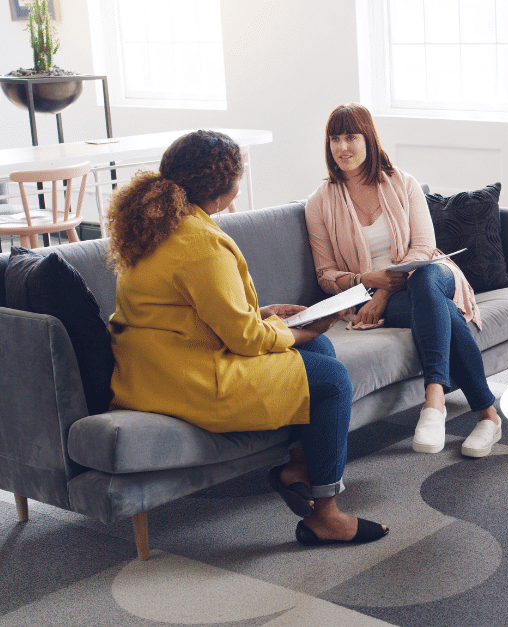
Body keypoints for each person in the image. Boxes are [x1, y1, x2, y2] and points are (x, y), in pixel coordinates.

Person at [106, 130, 387, 547]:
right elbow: (244, 340)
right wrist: (293, 329)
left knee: (319, 348)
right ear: (223, 191)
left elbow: (181, 313)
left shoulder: (157, 226)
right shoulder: (199, 243)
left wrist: (267, 316)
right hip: (191, 378)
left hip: (157, 366)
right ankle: (324, 515)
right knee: (332, 381)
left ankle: (299, 467)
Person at [304, 103, 502, 458]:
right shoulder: (320, 202)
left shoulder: (402, 183)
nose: (342, 147)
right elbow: (326, 275)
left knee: (425, 278)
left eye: (351, 137)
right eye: (335, 139)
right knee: (443, 312)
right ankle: (488, 415)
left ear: (369, 139)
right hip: (378, 294)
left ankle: (434, 401)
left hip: (429, 274)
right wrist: (367, 280)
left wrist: (383, 288)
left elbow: (424, 248)